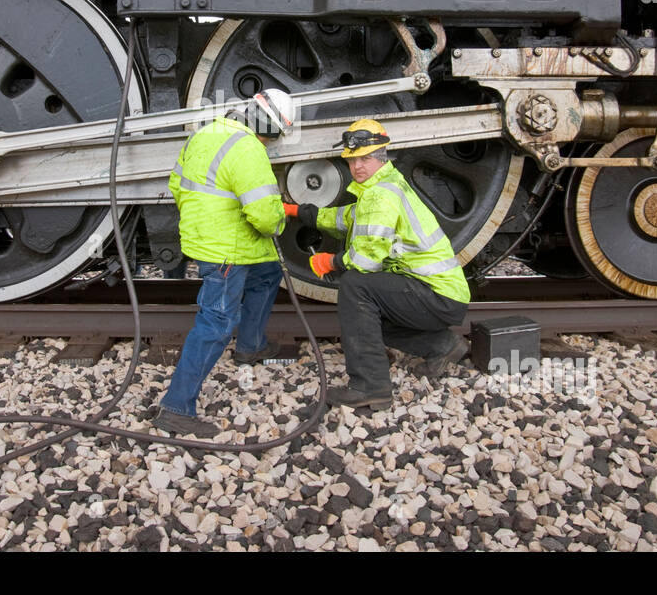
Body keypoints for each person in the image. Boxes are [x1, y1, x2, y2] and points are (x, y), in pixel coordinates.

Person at [286, 118, 470, 409]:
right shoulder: (381, 187)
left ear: (381, 156)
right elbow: (340, 218)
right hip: (438, 295)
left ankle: (370, 387)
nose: (357, 166)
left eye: (365, 158)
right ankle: (443, 347)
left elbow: (366, 260)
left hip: (435, 294)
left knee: (356, 287)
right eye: (352, 160)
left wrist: (330, 261)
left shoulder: (380, 195)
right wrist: (296, 210)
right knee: (367, 316)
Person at [154, 88, 296, 438]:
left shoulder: (206, 132)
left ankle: (250, 346)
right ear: (274, 128)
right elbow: (265, 217)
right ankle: (175, 407)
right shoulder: (249, 149)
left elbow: (177, 182)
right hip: (227, 249)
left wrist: (206, 216)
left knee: (267, 275)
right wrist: (282, 221)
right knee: (217, 321)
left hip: (207, 238)